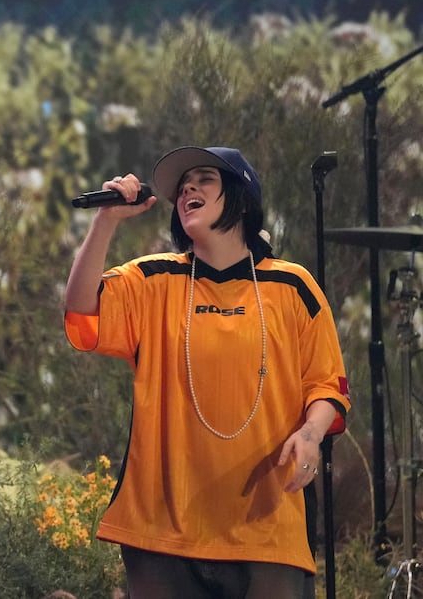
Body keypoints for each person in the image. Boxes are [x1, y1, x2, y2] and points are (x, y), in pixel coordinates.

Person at [64, 145, 349, 599]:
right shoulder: (152, 279)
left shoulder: (292, 286)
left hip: (268, 529)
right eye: (182, 186)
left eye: (204, 179)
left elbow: (327, 386)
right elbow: (80, 311)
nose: (187, 188)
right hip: (160, 533)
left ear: (240, 195)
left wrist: (311, 434)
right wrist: (106, 221)